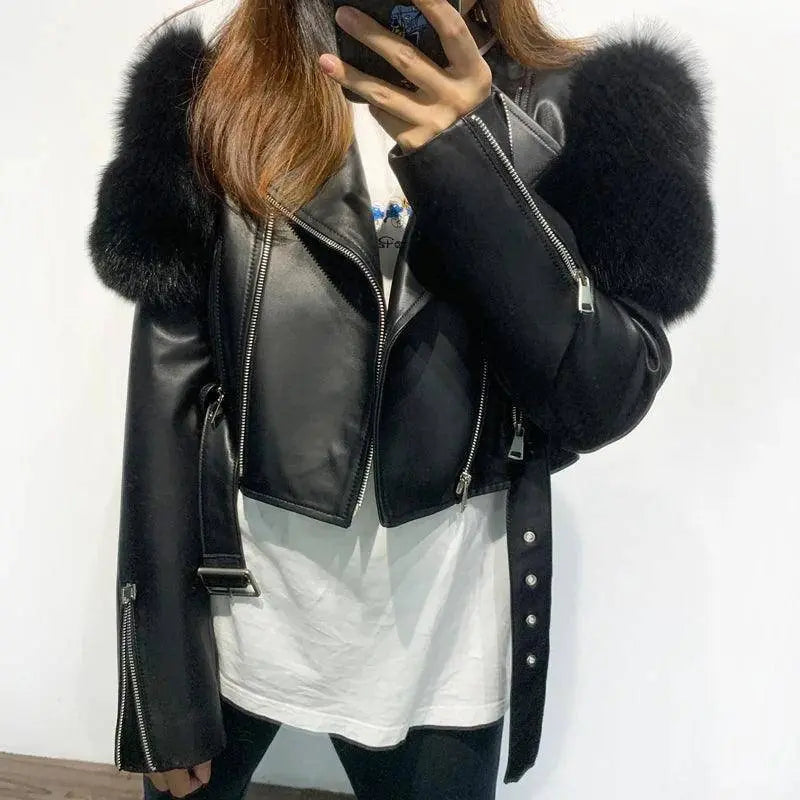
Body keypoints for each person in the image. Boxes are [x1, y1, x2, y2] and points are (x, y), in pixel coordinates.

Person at [86, 0, 714, 797]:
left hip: (443, 653)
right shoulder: (214, 90)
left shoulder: (601, 105)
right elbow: (170, 402)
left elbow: (602, 399)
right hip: (238, 629)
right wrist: (159, 685)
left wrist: (472, 164)